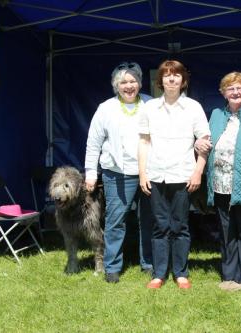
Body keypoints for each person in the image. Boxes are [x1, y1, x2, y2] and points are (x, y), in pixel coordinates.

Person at [138, 60, 210, 289]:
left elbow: (205, 142)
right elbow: (144, 142)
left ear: (183, 80)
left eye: (176, 75)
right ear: (160, 81)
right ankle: (159, 274)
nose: (171, 79)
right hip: (156, 174)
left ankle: (180, 273)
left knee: (180, 225)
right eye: (167, 75)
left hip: (183, 175)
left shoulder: (193, 107)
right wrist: (142, 174)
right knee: (160, 225)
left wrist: (198, 172)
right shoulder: (149, 107)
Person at [85, 61, 154, 283]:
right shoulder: (106, 108)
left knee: (148, 220)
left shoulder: (151, 104)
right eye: (123, 82)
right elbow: (93, 142)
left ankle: (149, 263)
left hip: (149, 172)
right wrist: (90, 173)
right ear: (116, 85)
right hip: (117, 173)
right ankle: (112, 266)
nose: (129, 86)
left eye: (133, 81)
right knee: (116, 221)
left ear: (140, 83)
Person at [196, 72, 241, 291]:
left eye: (239, 87)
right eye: (230, 88)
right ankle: (228, 274)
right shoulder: (215, 114)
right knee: (226, 231)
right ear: (223, 93)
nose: (235, 92)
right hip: (220, 183)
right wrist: (198, 144)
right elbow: (204, 141)